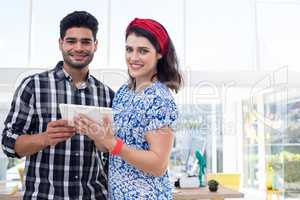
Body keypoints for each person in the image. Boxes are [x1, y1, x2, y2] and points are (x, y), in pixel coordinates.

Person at [1, 11, 114, 200]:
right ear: (60, 43)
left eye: (86, 42)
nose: (78, 48)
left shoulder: (107, 95)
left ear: (95, 45)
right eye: (71, 41)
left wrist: (104, 142)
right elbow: (8, 143)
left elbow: (113, 154)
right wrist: (45, 138)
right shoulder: (34, 86)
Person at [74, 18, 183, 199]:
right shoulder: (124, 92)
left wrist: (112, 144)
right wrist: (97, 134)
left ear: (159, 54)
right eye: (129, 49)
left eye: (143, 51)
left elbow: (158, 165)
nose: (133, 58)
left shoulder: (159, 99)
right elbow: (110, 145)